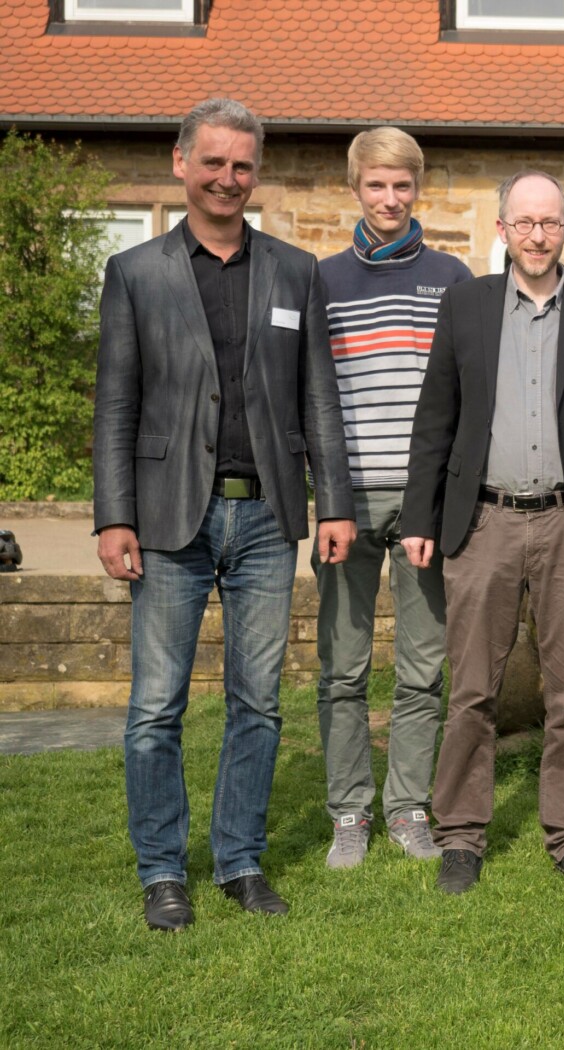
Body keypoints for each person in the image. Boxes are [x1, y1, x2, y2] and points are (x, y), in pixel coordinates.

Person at [93, 98, 355, 931]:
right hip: (170, 520)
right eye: (213, 163)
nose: (227, 178)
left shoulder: (294, 271)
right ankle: (163, 870)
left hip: (267, 520)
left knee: (260, 703)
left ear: (256, 173)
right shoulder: (136, 274)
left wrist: (334, 505)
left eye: (242, 165)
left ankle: (239, 859)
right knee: (154, 708)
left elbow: (319, 397)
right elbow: (116, 406)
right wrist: (113, 516)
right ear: (182, 164)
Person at [401, 171, 564, 896]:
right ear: (502, 229)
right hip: (484, 521)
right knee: (472, 689)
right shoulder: (465, 305)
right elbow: (435, 416)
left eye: (550, 223)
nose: (537, 236)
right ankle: (462, 837)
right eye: (524, 223)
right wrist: (418, 517)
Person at [315, 128, 473, 869]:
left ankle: (408, 806)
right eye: (376, 185)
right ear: (356, 187)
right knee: (343, 669)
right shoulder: (321, 281)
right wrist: (328, 500)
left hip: (422, 506)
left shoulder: (452, 278)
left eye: (402, 185)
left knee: (421, 668)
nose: (389, 199)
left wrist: (433, 502)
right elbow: (311, 401)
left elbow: (461, 400)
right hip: (345, 503)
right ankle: (349, 811)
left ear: (419, 188)